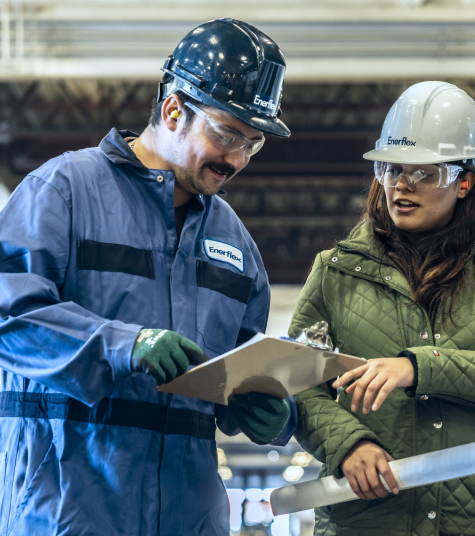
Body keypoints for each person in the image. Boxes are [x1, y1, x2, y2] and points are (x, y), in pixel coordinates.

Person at [0, 19, 297, 536]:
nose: (236, 159)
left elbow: (241, 368)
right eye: (227, 134)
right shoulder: (64, 191)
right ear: (173, 109)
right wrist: (124, 343)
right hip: (67, 512)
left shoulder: (237, 245)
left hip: (190, 518)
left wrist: (270, 410)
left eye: (252, 144)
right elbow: (10, 317)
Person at [289, 81, 475, 536]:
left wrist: (419, 368)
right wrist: (349, 445)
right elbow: (297, 382)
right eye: (391, 169)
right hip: (369, 520)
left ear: (465, 180)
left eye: (424, 173)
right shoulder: (334, 272)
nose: (401, 185)